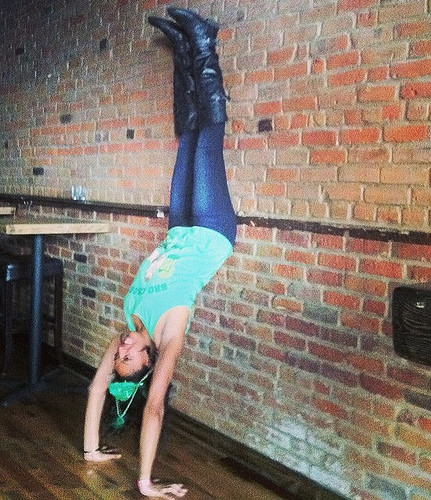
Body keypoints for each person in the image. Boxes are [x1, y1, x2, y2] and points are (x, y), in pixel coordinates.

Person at [83, 7, 236, 499]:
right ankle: (204, 43)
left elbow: (97, 388)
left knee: (185, 139)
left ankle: (182, 52)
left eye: (119, 355)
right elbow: (154, 407)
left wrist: (91, 450)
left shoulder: (130, 325)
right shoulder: (169, 338)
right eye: (129, 358)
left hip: (178, 232)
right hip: (210, 234)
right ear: (148, 360)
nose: (121, 350)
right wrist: (145, 484)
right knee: (207, 140)